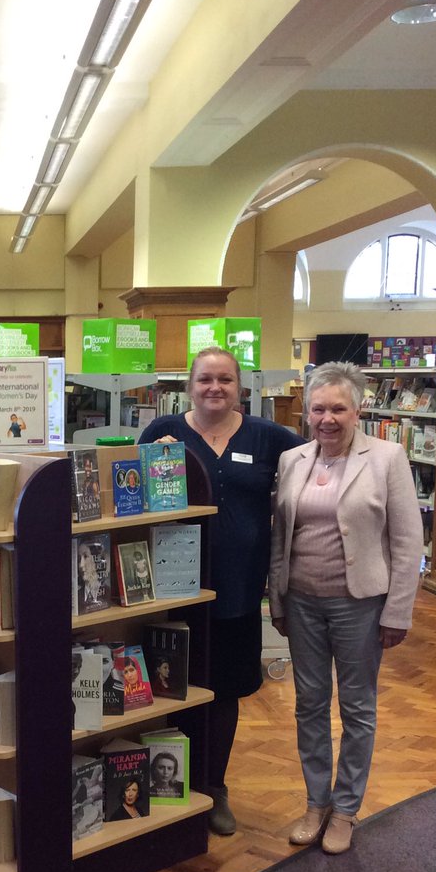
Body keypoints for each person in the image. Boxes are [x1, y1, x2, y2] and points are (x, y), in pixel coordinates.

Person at [140, 346, 304, 835]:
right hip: (174, 588)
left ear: (240, 388)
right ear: (189, 386)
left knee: (225, 691)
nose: (215, 388)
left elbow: (322, 458)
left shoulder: (270, 437)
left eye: (226, 380)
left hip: (237, 588)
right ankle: (169, 784)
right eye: (206, 379)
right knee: (173, 689)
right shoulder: (160, 434)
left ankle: (214, 787)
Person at [269, 361, 422, 855]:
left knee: (357, 709)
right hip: (303, 603)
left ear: (358, 409)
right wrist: (278, 598)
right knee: (309, 705)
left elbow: (406, 539)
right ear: (306, 412)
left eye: (338, 408)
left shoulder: (387, 457)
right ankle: (317, 804)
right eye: (318, 408)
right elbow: (280, 538)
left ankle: (347, 809)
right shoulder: (293, 459)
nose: (327, 418)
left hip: (360, 604)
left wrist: (397, 610)